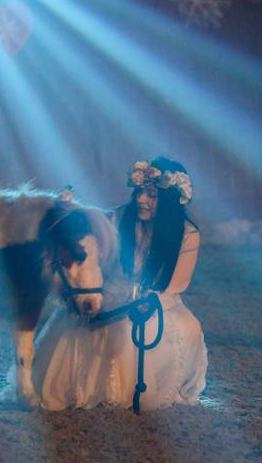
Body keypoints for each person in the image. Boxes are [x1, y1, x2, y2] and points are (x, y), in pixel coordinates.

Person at [33, 157, 208, 411]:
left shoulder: (187, 234)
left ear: (170, 202)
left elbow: (177, 284)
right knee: (94, 324)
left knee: (186, 327)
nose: (141, 200)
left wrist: (147, 302)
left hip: (158, 298)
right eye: (138, 193)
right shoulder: (117, 218)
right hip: (113, 290)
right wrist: (68, 211)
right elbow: (91, 233)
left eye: (151, 195)